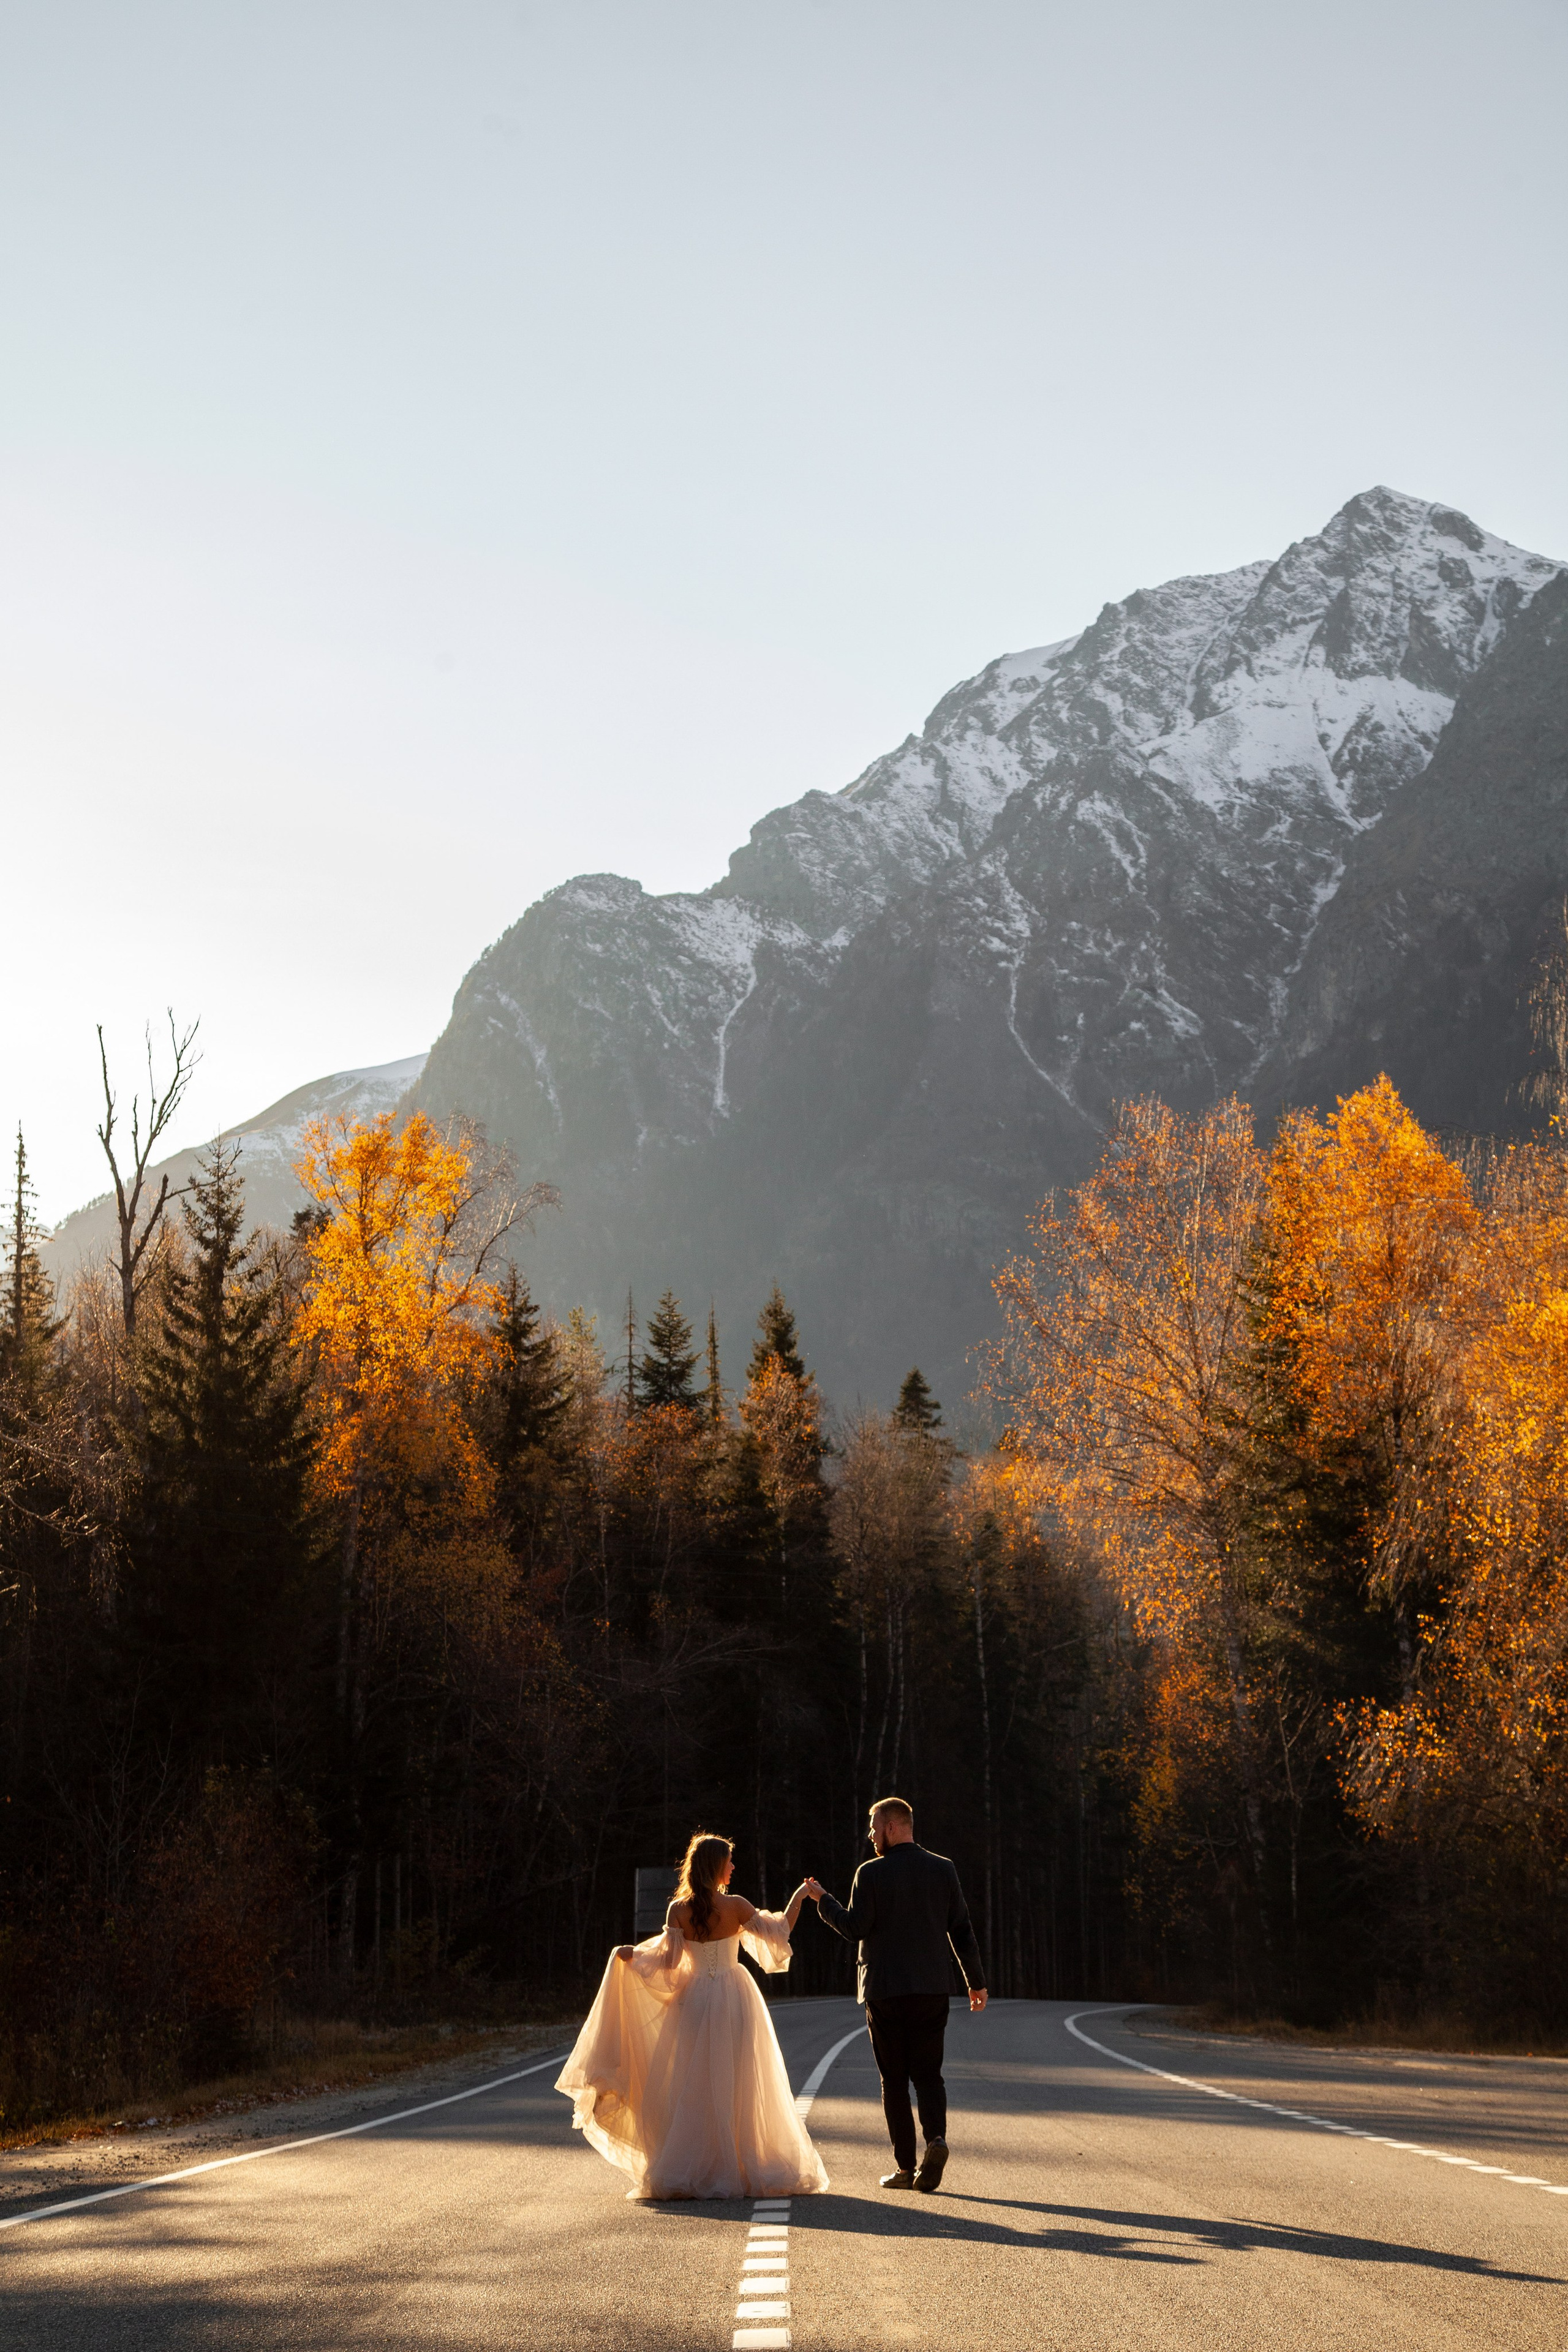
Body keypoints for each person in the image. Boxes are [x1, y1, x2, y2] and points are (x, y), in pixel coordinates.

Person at [556, 1830, 829, 2200]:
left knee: (693, 2085)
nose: (733, 1866)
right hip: (735, 1998)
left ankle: (698, 2166)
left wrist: (633, 1955)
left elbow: (667, 1964)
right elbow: (781, 1931)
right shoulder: (735, 1906)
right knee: (740, 2081)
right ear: (715, 1867)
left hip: (694, 2001)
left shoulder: (679, 1910)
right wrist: (801, 1896)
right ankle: (740, 2164)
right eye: (728, 1861)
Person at [805, 1795, 986, 2194]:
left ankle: (905, 2169)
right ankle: (935, 2141)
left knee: (894, 2081)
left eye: (873, 1827)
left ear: (891, 1827)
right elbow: (962, 1930)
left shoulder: (870, 1874)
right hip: (932, 1988)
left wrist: (825, 1901)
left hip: (885, 1991)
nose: (870, 1836)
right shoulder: (944, 1869)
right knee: (928, 2074)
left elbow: (854, 1927)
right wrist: (975, 1981)